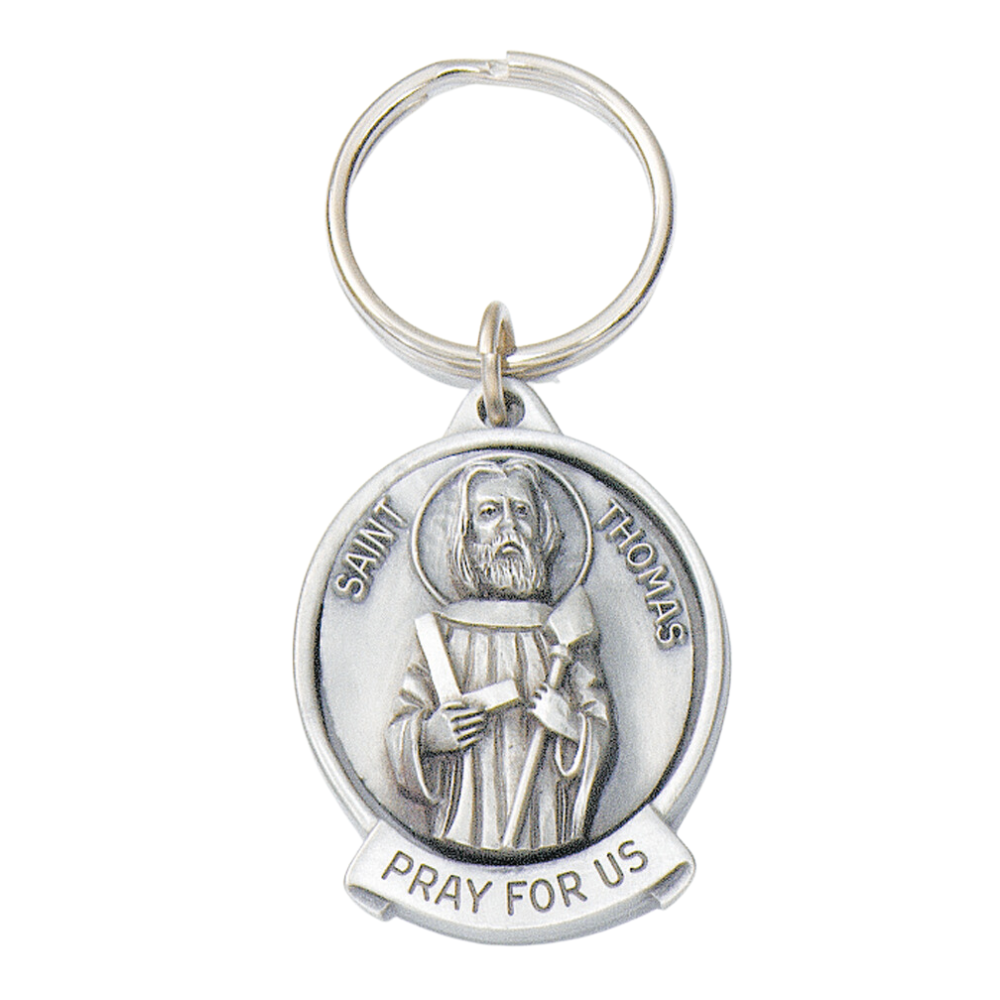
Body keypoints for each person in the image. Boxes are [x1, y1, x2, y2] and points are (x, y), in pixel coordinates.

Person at [385, 458, 611, 852]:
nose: (509, 525)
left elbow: (601, 727)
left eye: (521, 511)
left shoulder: (566, 631)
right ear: (467, 534)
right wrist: (429, 736)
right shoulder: (440, 635)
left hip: (545, 827)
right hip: (461, 827)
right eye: (490, 512)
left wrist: (571, 724)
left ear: (542, 530)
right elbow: (400, 729)